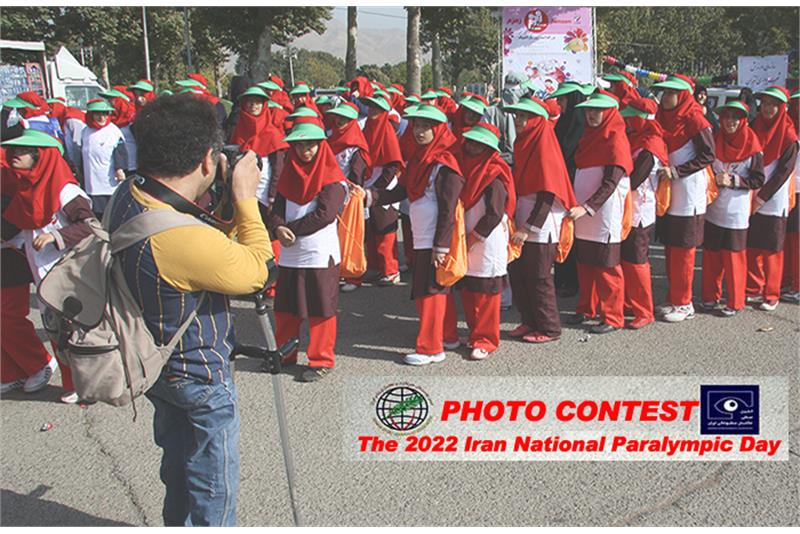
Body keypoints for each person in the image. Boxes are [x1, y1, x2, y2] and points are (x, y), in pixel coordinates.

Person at [106, 94, 271, 525]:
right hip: (198, 377)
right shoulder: (181, 239)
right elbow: (258, 272)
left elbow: (204, 234)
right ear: (206, 159)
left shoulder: (130, 194)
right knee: (212, 488)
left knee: (178, 472)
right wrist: (245, 197)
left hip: (154, 363)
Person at [1, 129, 94, 402]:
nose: (13, 155)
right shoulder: (26, 189)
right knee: (55, 329)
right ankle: (71, 383)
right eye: (12, 150)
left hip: (69, 272)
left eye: (22, 151)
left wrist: (57, 236)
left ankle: (86, 384)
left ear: (40, 156)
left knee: (74, 330)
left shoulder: (66, 190)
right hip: (41, 273)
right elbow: (26, 230)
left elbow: (90, 226)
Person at [267, 122, 347, 382]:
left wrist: (288, 229)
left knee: (320, 308)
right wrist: (278, 227)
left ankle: (321, 359)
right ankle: (285, 353)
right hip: (291, 253)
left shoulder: (333, 178)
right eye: (299, 145)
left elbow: (324, 215)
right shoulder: (289, 174)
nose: (305, 150)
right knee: (286, 306)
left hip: (319, 253)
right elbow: (277, 207)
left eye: (310, 144)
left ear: (321, 145)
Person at [505, 97, 576, 343]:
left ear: (536, 120)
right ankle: (529, 321)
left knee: (538, 276)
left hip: (542, 220)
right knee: (520, 273)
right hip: (526, 213)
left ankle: (549, 328)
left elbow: (547, 192)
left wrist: (528, 228)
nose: (519, 121)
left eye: (524, 117)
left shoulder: (544, 143)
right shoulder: (524, 142)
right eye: (517, 116)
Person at [444, 123, 514, 359]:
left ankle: (487, 339)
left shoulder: (494, 174)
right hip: (467, 238)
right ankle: (475, 334)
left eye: (479, 144)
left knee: (486, 294)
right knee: (469, 288)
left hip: (486, 240)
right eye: (470, 142)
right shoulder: (464, 169)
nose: (472, 147)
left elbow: (494, 213)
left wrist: (473, 238)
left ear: (488, 148)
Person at [569, 90, 633, 334]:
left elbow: (611, 182)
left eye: (598, 110)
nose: (592, 115)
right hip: (583, 213)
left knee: (607, 266)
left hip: (603, 213)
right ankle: (587, 307)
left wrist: (587, 207)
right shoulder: (588, 138)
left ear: (609, 113)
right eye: (589, 110)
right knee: (585, 263)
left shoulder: (616, 139)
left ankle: (613, 316)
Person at [652, 74, 715, 323]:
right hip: (670, 188)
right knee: (671, 244)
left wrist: (678, 171)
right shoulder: (663, 116)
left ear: (682, 95)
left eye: (670, 93)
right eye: (664, 93)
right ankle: (673, 297)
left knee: (684, 249)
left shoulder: (694, 117)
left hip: (689, 190)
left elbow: (709, 154)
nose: (665, 97)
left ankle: (684, 302)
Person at [0, 139, 59, 396]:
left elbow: (19, 215)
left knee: (8, 317)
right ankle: (11, 370)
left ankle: (39, 362)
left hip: (10, 256)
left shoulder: (6, 174)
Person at [702, 100, 764, 317]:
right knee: (711, 256)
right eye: (727, 117)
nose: (730, 122)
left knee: (734, 258)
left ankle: (735, 302)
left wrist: (734, 180)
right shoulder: (715, 141)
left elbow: (758, 179)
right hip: (714, 210)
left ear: (743, 120)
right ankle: (710, 296)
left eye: (735, 118)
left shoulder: (752, 145)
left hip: (736, 213)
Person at [229, 86, 289, 300]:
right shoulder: (239, 131)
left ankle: (272, 281)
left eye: (258, 101)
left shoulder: (273, 133)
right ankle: (252, 279)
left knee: (270, 235)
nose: (254, 105)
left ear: (265, 105)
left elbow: (279, 169)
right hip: (245, 193)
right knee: (247, 234)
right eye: (250, 101)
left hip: (266, 196)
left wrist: (273, 196)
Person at [342, 93, 404, 292]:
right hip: (367, 184)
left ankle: (391, 270)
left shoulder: (387, 130)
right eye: (371, 108)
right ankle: (375, 267)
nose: (373, 112)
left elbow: (392, 164)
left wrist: (376, 189)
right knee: (369, 229)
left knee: (385, 230)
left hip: (384, 188)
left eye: (377, 109)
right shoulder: (366, 127)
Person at [746, 86, 799, 311]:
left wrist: (762, 198)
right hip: (751, 193)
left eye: (772, 104)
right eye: (765, 103)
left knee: (773, 248)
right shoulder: (754, 127)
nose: (767, 109)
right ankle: (753, 287)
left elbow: (783, 173)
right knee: (753, 244)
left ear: (782, 107)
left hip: (774, 198)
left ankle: (772, 293)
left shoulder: (788, 134)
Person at [619, 96, 669, 329]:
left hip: (640, 209)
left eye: (631, 118)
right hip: (627, 206)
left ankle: (644, 310)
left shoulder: (651, 145)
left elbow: (636, 178)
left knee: (637, 259)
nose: (628, 123)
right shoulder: (635, 139)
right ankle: (630, 302)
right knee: (627, 258)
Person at [550, 81, 592, 297]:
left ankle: (572, 281)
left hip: (576, 186)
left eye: (562, 99)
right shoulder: (563, 124)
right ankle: (562, 278)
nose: (559, 103)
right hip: (561, 185)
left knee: (573, 235)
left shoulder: (581, 125)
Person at [79, 99, 128, 218]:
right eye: (98, 114)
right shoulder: (85, 131)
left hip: (108, 182)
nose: (102, 118)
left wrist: (119, 168)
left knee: (111, 213)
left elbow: (120, 152)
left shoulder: (113, 131)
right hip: (91, 182)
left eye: (105, 114)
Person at [782, 90, 800, 303]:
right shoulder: (789, 129)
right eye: (795, 105)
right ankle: (787, 279)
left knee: (797, 241)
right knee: (786, 238)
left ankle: (797, 284)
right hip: (788, 191)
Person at [47, 97, 86, 169]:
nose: (49, 111)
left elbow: (77, 143)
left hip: (82, 161)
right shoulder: (64, 118)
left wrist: (77, 165)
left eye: (51, 108)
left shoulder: (72, 119)